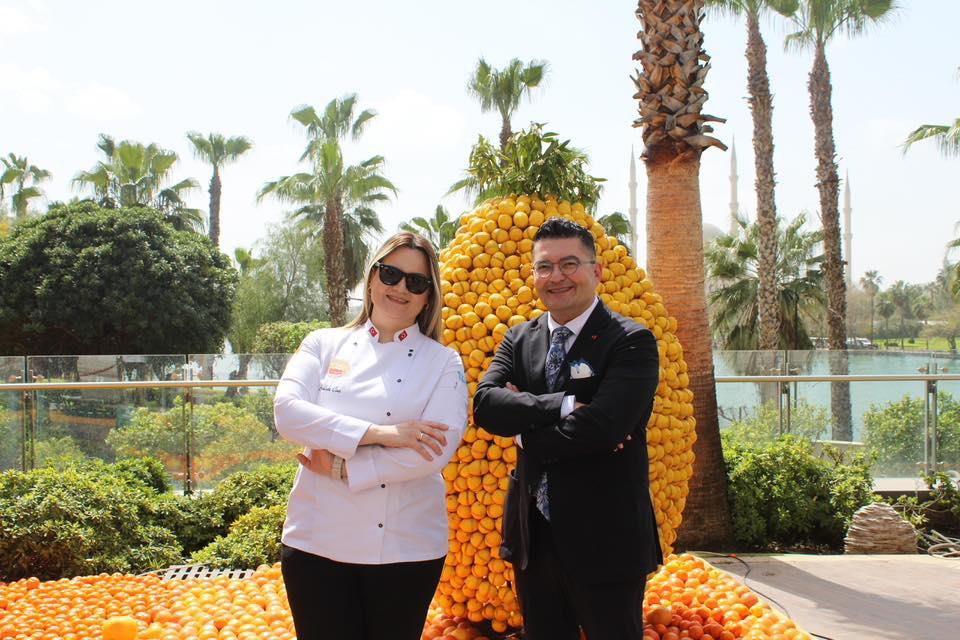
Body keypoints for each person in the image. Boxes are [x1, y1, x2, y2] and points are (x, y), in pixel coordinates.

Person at [473, 217, 663, 640]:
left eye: (569, 264)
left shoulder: (630, 341)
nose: (556, 276)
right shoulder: (518, 340)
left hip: (607, 538)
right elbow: (486, 406)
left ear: (597, 271)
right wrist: (562, 406)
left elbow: (602, 427)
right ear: (533, 275)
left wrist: (522, 432)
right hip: (533, 539)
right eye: (545, 266)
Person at [273, 232, 468, 640]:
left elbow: (433, 451)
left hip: (406, 547)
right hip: (315, 541)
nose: (401, 288)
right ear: (372, 277)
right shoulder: (323, 344)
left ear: (429, 296)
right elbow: (287, 413)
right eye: (391, 274)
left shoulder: (443, 362)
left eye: (416, 282)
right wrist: (383, 434)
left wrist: (342, 467)